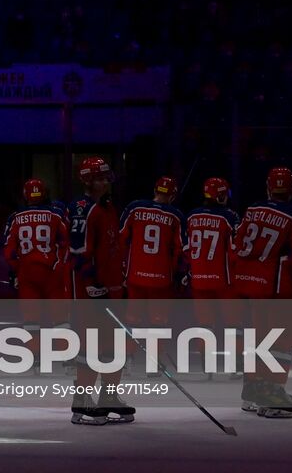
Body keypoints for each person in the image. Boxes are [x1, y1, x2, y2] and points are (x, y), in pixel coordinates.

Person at [231, 167, 292, 418]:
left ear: (268, 187)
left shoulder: (253, 209)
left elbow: (237, 243)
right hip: (277, 288)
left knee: (257, 338)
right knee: (281, 340)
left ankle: (252, 389)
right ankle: (273, 393)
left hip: (249, 286)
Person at [67, 157, 128, 425]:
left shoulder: (108, 206)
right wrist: (92, 285)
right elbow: (78, 252)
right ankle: (81, 402)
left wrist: (119, 284)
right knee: (90, 346)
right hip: (91, 291)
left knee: (114, 345)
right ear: (87, 181)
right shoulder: (82, 209)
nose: (105, 182)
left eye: (107, 177)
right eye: (100, 178)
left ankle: (109, 396)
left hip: (111, 288)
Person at [118, 175, 186, 390]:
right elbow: (180, 248)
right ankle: (153, 364)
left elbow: (121, 238)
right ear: (173, 195)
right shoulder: (175, 215)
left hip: (135, 274)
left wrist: (122, 267)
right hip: (161, 278)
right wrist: (178, 273)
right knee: (158, 322)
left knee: (132, 320)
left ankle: (126, 360)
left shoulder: (134, 208)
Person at [3, 178, 69, 369]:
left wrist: (16, 269)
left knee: (31, 319)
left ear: (25, 195)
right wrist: (59, 264)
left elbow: (8, 248)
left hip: (27, 273)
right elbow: (65, 243)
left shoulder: (15, 217)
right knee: (60, 318)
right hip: (52, 271)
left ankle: (34, 357)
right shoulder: (56, 214)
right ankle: (66, 357)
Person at [184, 177, 241, 373]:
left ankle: (206, 364)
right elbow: (235, 250)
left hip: (199, 278)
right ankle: (235, 364)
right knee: (233, 323)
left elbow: (186, 248)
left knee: (204, 324)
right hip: (223, 279)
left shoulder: (191, 216)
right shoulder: (230, 216)